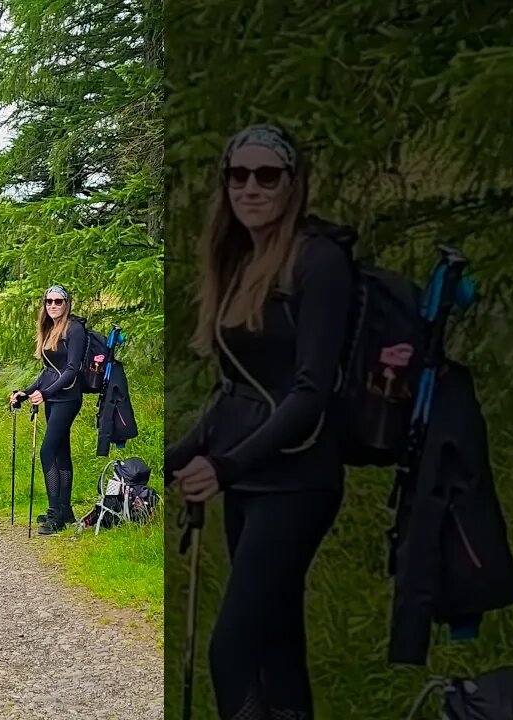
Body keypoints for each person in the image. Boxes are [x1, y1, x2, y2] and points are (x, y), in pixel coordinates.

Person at [165, 124, 353, 720]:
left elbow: (310, 393)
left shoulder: (319, 262)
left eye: (266, 175)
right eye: (237, 175)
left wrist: (224, 465)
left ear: (292, 185)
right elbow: (237, 391)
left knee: (231, 649)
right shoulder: (241, 259)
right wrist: (177, 455)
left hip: (299, 481)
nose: (250, 187)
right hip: (250, 482)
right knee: (276, 647)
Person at [9, 284, 87, 535]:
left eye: (58, 301)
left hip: (68, 400)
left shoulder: (75, 329)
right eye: (48, 301)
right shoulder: (51, 328)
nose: (53, 305)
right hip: (53, 399)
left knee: (47, 452)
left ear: (67, 304)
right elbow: (49, 371)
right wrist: (26, 392)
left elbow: (72, 370)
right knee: (61, 453)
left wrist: (46, 393)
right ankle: (65, 510)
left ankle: (55, 514)